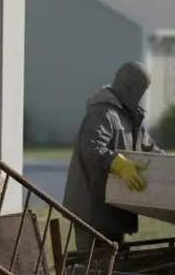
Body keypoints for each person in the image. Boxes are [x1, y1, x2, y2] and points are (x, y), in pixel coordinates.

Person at [63, 61, 165, 251]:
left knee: (114, 268)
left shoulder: (129, 116)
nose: (142, 95)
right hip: (92, 209)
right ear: (129, 86)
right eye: (141, 89)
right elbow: (91, 146)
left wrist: (172, 163)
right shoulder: (103, 111)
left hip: (114, 207)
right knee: (93, 271)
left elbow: (148, 147)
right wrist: (118, 164)